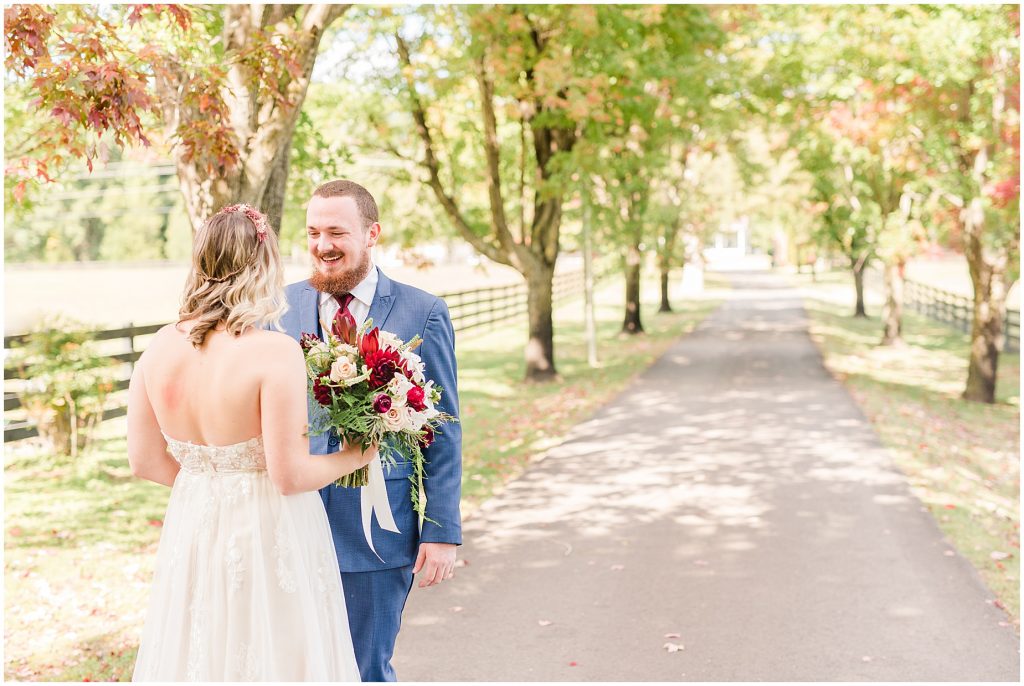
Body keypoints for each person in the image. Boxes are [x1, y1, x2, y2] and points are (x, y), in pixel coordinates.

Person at [128, 204, 373, 681]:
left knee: (199, 654)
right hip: (270, 530)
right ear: (263, 266)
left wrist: (214, 484)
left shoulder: (157, 347)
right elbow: (290, 476)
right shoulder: (273, 351)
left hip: (195, 522)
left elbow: (143, 461)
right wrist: (358, 454)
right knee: (275, 653)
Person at [280, 180, 463, 682]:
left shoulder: (421, 311)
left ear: (372, 233)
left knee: (365, 669)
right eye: (313, 232)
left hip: (378, 529)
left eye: (336, 232)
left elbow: (443, 430)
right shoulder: (277, 308)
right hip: (288, 523)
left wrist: (442, 530)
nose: (322, 246)